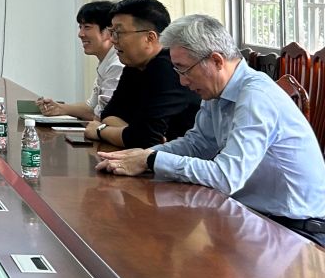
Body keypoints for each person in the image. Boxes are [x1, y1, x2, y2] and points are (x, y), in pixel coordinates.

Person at [96, 14, 325, 247]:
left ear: (216, 61)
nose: (182, 82)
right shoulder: (217, 91)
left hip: (294, 232)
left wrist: (151, 160)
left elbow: (225, 177)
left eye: (184, 70)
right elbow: (197, 144)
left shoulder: (256, 97)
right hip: (253, 217)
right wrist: (142, 155)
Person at [82, 0, 200, 148]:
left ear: (149, 37)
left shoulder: (169, 69)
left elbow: (146, 139)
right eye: (112, 32)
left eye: (118, 32)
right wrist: (132, 133)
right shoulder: (134, 65)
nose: (113, 40)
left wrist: (100, 131)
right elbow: (108, 115)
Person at [37, 1, 122, 120]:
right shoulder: (106, 62)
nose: (80, 34)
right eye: (80, 27)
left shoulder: (117, 65)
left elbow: (103, 115)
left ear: (108, 31)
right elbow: (91, 107)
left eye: (87, 27)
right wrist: (59, 108)